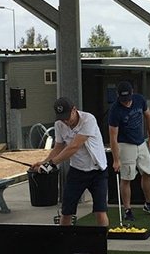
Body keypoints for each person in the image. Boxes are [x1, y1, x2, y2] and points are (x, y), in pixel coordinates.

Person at [31, 97, 108, 227]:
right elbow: (59, 146)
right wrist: (44, 162)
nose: (65, 121)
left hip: (98, 171)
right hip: (77, 171)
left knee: (100, 211)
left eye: (67, 117)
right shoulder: (59, 124)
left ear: (74, 110)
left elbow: (74, 147)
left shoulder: (88, 119)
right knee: (66, 212)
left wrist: (51, 164)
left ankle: (103, 241)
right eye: (61, 118)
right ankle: (64, 241)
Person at [108, 81, 150, 222]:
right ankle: (127, 209)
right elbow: (113, 137)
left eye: (128, 99)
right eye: (123, 100)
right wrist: (116, 159)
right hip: (125, 144)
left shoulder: (139, 100)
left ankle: (149, 203)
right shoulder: (115, 110)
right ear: (118, 96)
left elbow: (148, 116)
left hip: (141, 142)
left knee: (148, 172)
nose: (126, 103)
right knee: (127, 177)